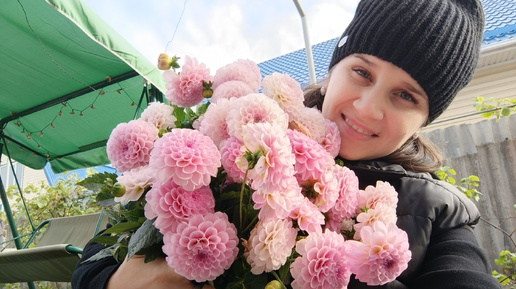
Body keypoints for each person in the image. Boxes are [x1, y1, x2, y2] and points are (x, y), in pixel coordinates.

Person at [72, 0, 502, 288]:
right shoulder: (229, 135)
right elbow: (93, 259)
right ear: (336, 66)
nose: (368, 108)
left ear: (426, 119)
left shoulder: (439, 215)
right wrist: (113, 281)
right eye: (362, 73)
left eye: (405, 95)